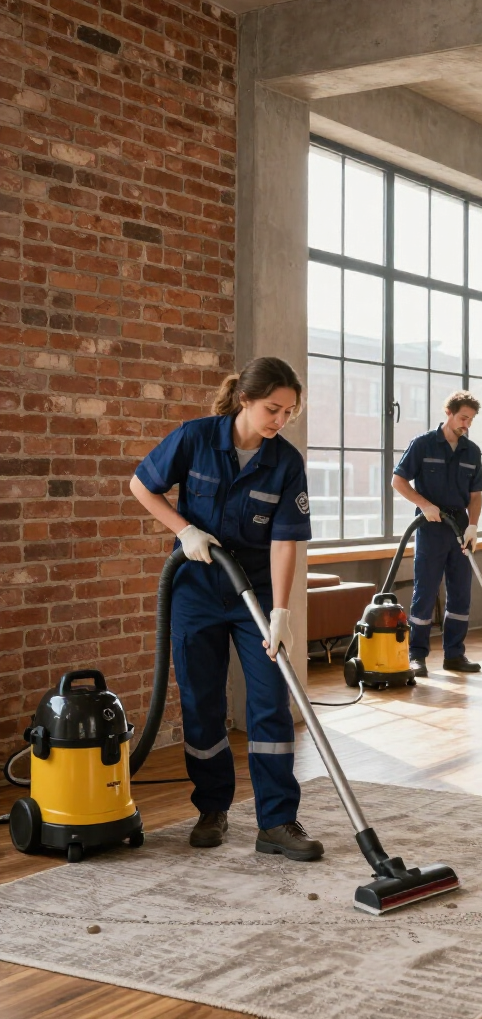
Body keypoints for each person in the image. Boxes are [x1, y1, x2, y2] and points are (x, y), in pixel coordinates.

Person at [129, 357, 323, 860]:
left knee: (268, 703)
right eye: (272, 409)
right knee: (202, 704)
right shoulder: (194, 439)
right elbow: (141, 485)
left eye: (289, 412)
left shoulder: (285, 462)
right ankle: (211, 809)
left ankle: (276, 821)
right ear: (245, 399)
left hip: (253, 593)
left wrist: (280, 612)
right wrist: (183, 529)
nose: (279, 421)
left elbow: (286, 542)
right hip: (194, 589)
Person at [392, 391, 482, 678]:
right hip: (431, 526)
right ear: (449, 412)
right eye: (462, 418)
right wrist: (424, 504)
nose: (466, 424)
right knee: (426, 591)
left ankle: (455, 655)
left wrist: (474, 525)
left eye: (470, 420)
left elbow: (476, 494)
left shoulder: (472, 451)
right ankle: (416, 655)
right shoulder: (423, 444)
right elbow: (398, 481)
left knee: (461, 592)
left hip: (459, 527)